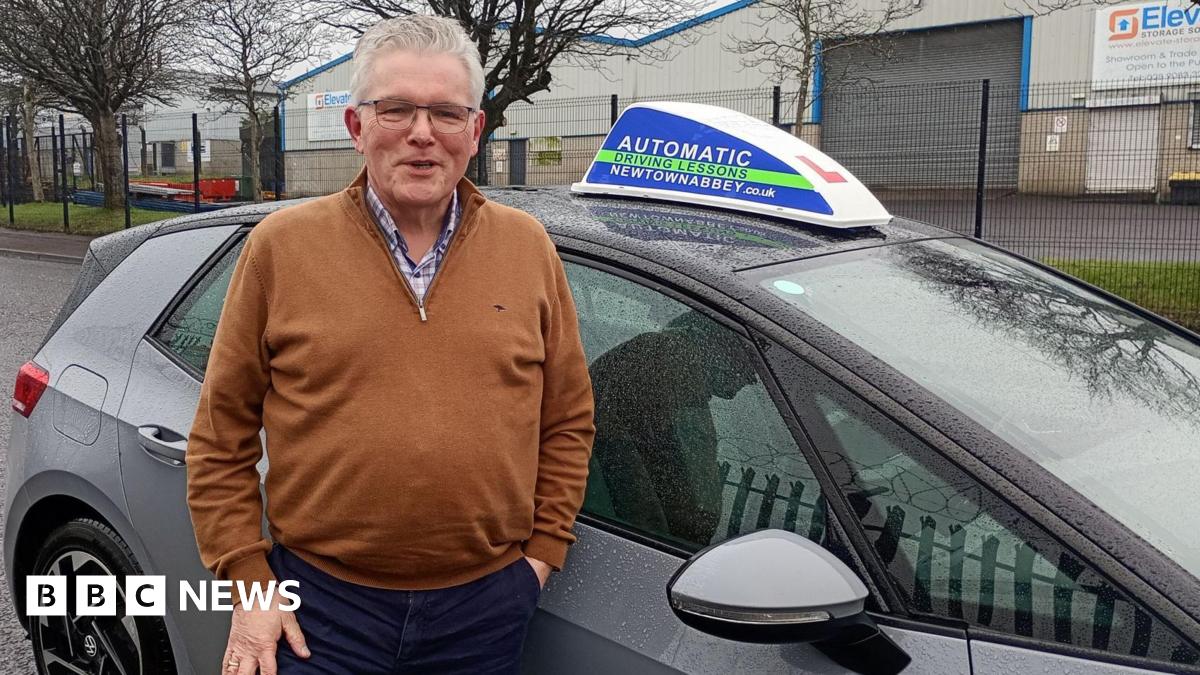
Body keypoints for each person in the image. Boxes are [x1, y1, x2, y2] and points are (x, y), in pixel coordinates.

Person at [186, 15, 595, 675]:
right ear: (357, 126)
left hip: (484, 613)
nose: (422, 133)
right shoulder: (282, 249)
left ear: (475, 130)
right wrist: (248, 578)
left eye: (445, 112)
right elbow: (220, 433)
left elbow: (568, 417)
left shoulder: (528, 248)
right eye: (397, 108)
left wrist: (540, 558)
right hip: (318, 613)